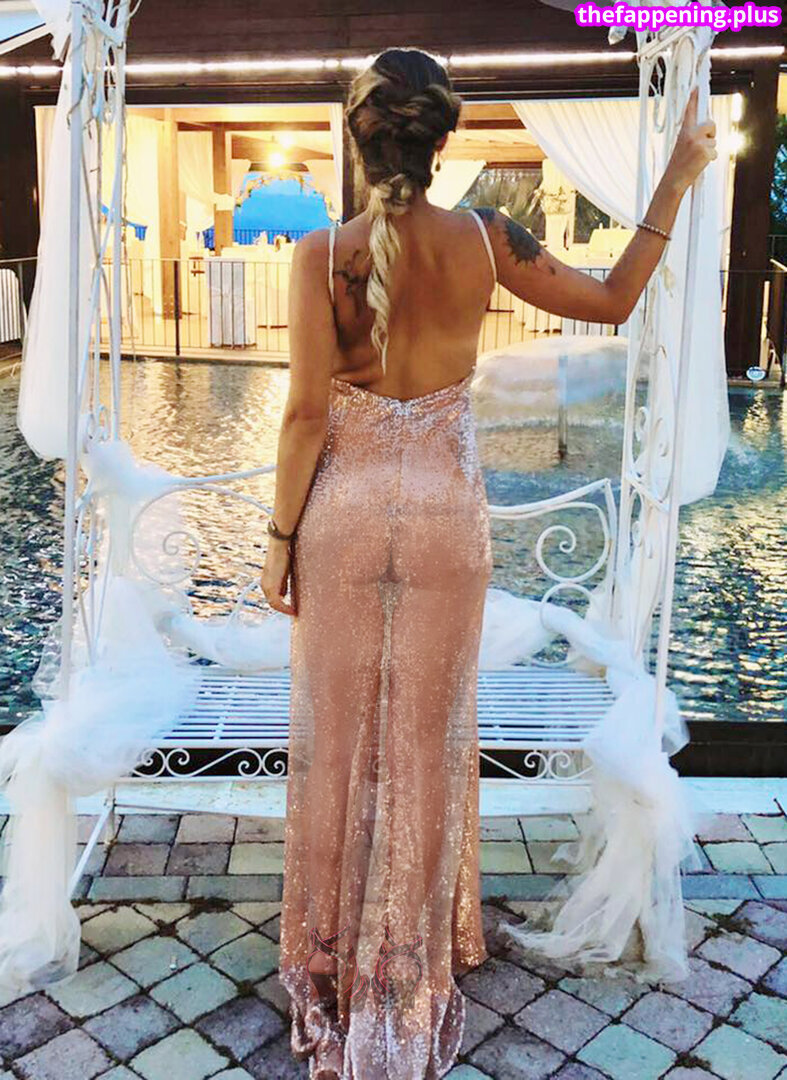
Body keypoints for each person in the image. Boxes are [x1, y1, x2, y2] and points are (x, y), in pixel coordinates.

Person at [261, 47, 716, 1080]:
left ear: (356, 136)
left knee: (338, 740)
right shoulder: (483, 239)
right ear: (442, 139)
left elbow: (302, 417)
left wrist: (278, 541)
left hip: (340, 521)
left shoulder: (321, 255)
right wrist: (677, 178)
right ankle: (412, 959)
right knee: (426, 744)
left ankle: (330, 950)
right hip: (443, 525)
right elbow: (612, 299)